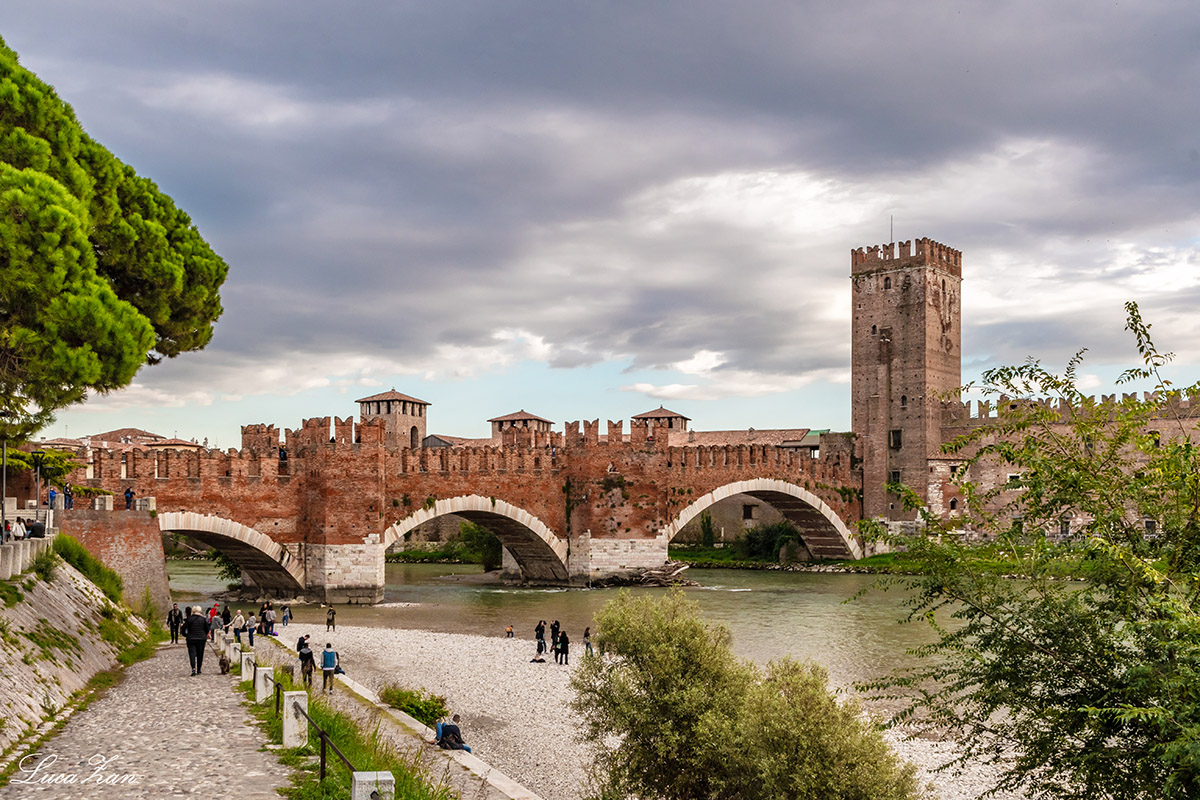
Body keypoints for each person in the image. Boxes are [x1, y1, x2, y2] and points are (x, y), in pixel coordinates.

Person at [182, 605, 210, 676]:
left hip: (191, 639)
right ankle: (199, 669)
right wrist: (205, 635)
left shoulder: (189, 619)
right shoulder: (203, 619)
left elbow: (183, 629)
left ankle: (193, 668)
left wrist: (186, 635)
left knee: (192, 654)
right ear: (199, 611)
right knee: (200, 654)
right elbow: (207, 629)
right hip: (201, 639)